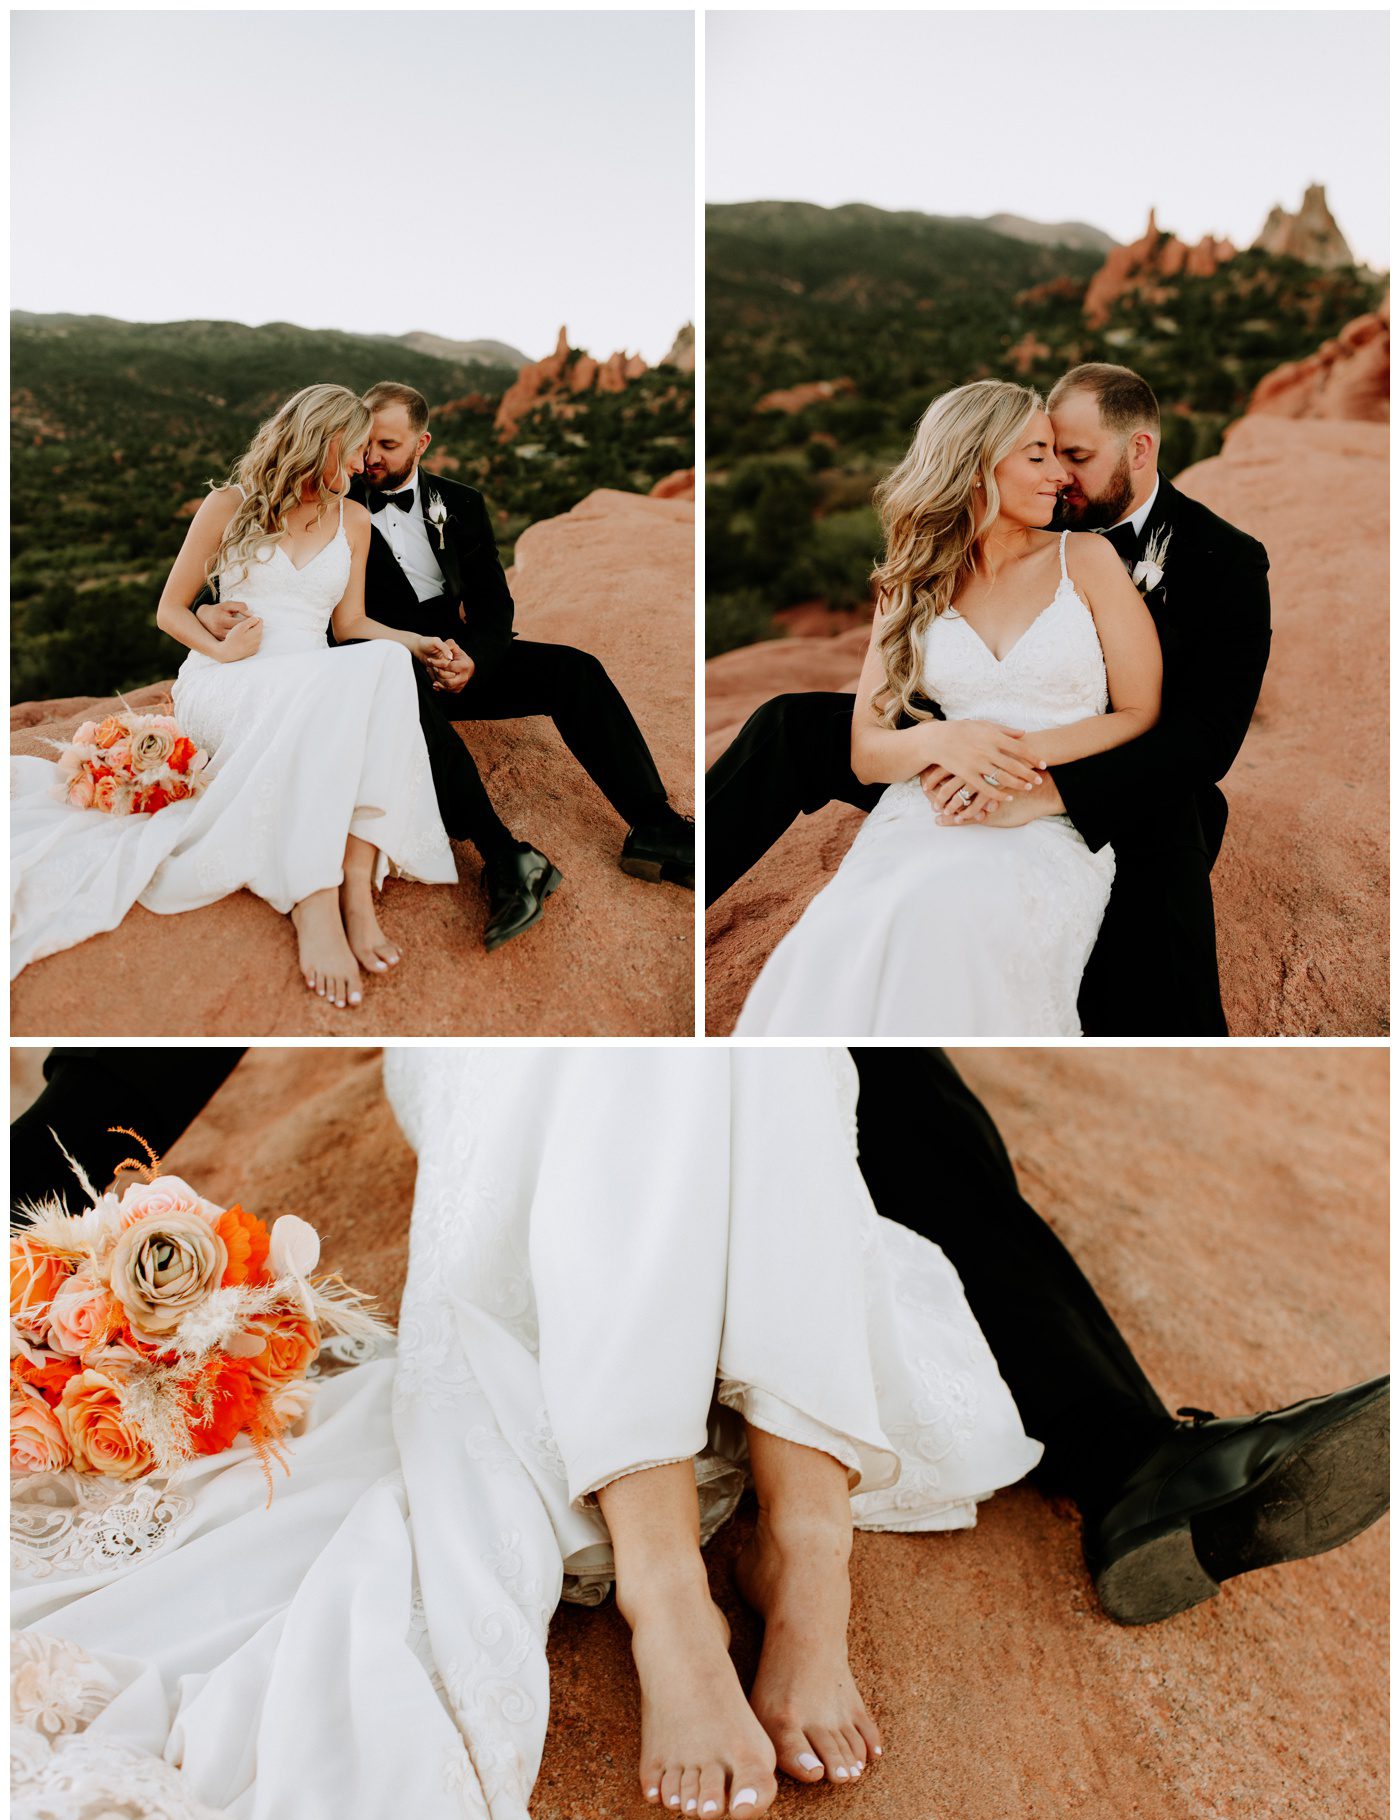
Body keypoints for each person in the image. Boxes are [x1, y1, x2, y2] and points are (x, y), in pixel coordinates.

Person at [11, 1047, 1043, 1820]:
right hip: (497, 1069)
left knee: (773, 1054)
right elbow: (139, 1067)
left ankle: (804, 1549)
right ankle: (671, 1587)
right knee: (638, 1061)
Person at [12, 1045, 1387, 1631]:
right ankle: (1131, 1456)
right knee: (880, 1111)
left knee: (846, 1074)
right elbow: (145, 1063)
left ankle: (1142, 1465)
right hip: (516, 1064)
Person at [710, 363, 1272, 1037]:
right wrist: (942, 744)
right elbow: (886, 719)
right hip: (951, 743)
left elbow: (1199, 736)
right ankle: (692, 855)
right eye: (1046, 452)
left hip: (1113, 766)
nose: (1061, 474)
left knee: (1168, 842)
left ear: (1139, 451)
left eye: (1075, 456)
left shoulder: (1222, 559)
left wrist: (1036, 781)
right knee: (790, 725)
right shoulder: (953, 557)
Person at [197, 381, 695, 951]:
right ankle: (504, 859)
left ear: (421, 442)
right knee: (393, 678)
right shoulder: (331, 497)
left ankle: (655, 827)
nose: (371, 458)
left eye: (387, 444)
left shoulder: (461, 502)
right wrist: (208, 611)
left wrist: (474, 662)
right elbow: (243, 575)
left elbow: (493, 602)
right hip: (376, 660)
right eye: (366, 444)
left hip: (455, 654)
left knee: (574, 670)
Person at [10, 385, 460, 1008]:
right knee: (350, 686)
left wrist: (419, 642)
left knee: (379, 660)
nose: (363, 466)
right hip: (228, 677)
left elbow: (351, 625)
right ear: (324, 440)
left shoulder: (354, 520)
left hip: (311, 674)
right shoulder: (229, 505)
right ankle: (314, 895)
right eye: (356, 451)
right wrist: (220, 649)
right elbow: (170, 610)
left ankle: (357, 880)